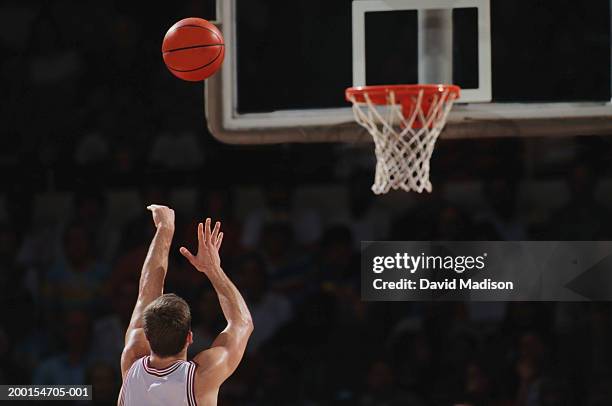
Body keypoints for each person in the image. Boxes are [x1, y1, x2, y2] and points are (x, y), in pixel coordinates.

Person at [119, 205, 253, 406]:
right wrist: (212, 270)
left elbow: (146, 292)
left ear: (147, 335)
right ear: (189, 337)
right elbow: (242, 323)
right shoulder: (200, 379)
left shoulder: (132, 362)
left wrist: (164, 229)